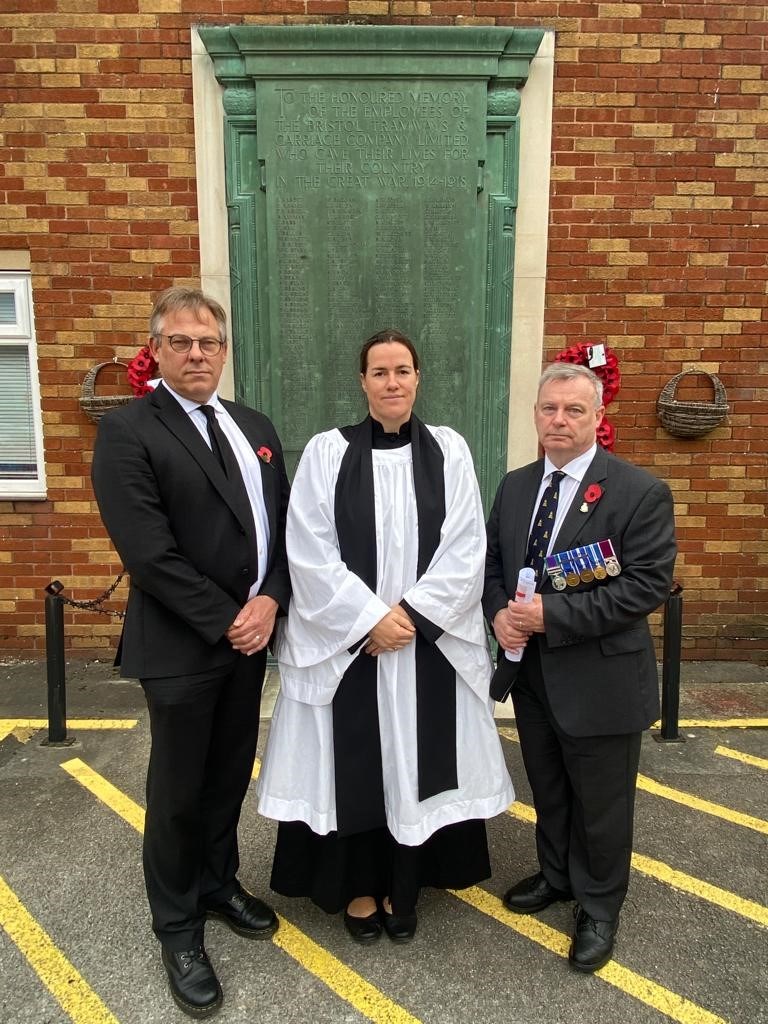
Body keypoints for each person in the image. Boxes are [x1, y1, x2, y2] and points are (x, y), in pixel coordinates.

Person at [256, 329, 514, 945]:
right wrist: (368, 619)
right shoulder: (326, 452)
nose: (392, 382)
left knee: (415, 760)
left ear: (418, 378)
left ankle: (407, 882)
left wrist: (415, 617)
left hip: (424, 643)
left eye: (402, 370)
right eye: (379, 372)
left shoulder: (449, 451)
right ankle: (360, 887)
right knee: (359, 762)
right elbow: (309, 548)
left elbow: (465, 546)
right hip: (355, 645)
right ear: (363, 382)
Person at [91, 287, 290, 1018]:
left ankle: (217, 883)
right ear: (157, 350)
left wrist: (270, 598)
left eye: (208, 342)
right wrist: (230, 619)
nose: (196, 354)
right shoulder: (128, 431)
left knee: (228, 774)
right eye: (180, 342)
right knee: (177, 792)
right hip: (182, 646)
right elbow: (149, 554)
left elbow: (283, 525)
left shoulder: (253, 425)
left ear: (223, 350)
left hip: (250, 638)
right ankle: (177, 928)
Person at [483, 361, 676, 973]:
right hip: (533, 675)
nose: (558, 421)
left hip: (602, 681)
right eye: (549, 409)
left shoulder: (638, 492)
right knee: (551, 789)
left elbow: (645, 586)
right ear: (535, 414)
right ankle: (557, 875)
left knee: (603, 803)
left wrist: (550, 617)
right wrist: (499, 616)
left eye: (573, 410)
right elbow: (491, 566)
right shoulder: (515, 487)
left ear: (598, 418)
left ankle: (599, 905)